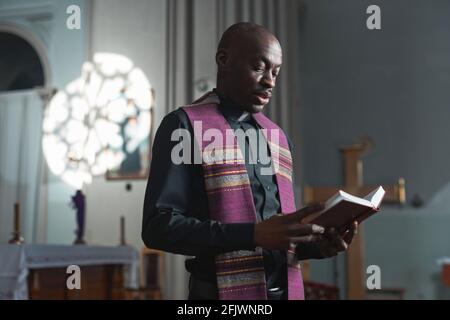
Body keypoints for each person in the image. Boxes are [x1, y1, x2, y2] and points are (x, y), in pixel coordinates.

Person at [142, 22, 357, 300]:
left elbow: (276, 239)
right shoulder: (184, 126)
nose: (270, 81)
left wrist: (319, 247)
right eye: (258, 67)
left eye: (275, 72)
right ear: (224, 60)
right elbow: (158, 228)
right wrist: (251, 235)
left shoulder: (277, 137)